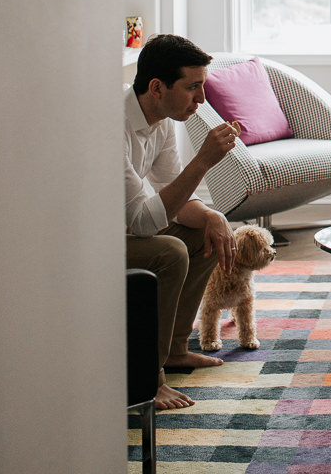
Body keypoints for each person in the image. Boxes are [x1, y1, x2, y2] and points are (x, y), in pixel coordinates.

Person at [125, 33, 243, 409]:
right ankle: (148, 376)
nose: (202, 99)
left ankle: (174, 349)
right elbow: (143, 222)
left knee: (207, 231)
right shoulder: (110, 127)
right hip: (84, 242)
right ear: (157, 88)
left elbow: (173, 198)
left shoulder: (162, 118)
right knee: (172, 250)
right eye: (193, 87)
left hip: (126, 229)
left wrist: (211, 215)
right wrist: (204, 160)